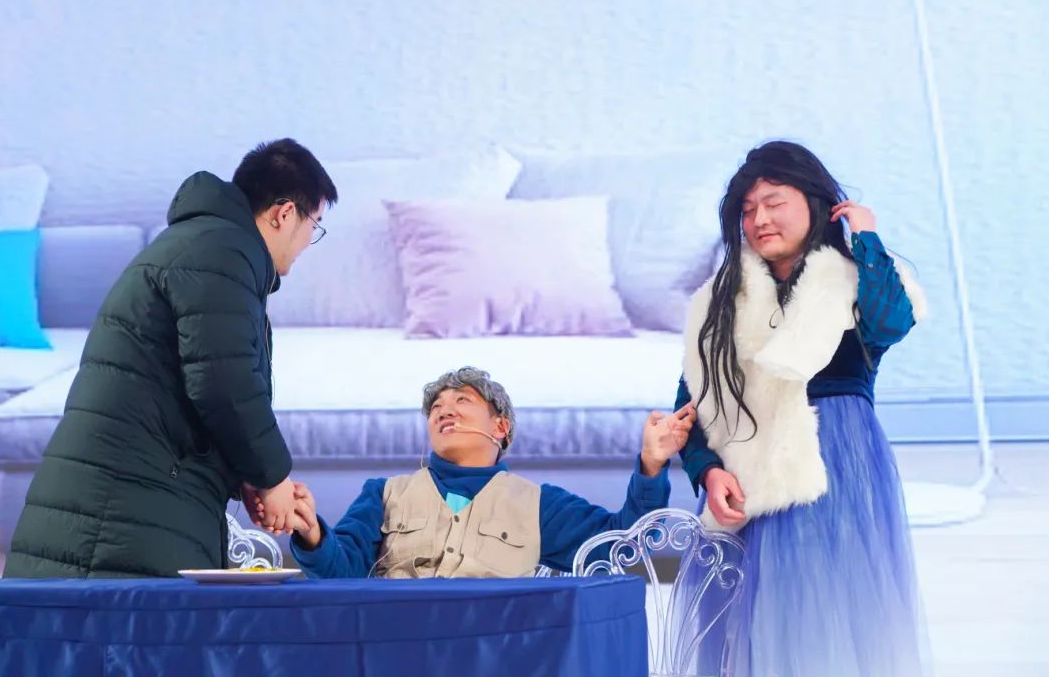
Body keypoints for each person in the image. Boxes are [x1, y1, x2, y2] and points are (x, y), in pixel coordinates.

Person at [4, 138, 336, 578]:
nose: (310, 241)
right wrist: (273, 478)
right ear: (284, 213)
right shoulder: (224, 253)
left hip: (128, 495)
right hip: (126, 506)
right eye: (315, 224)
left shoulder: (204, 245)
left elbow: (190, 381)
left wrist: (247, 474)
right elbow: (225, 384)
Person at [672, 141, 930, 676]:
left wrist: (866, 237)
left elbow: (890, 323)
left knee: (830, 621)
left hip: (836, 468)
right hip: (750, 478)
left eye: (773, 203)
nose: (760, 220)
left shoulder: (856, 278)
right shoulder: (720, 303)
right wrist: (708, 471)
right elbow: (691, 404)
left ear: (814, 202)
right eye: (747, 210)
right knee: (756, 627)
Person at [273, 367, 693, 578]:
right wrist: (311, 532)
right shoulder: (383, 493)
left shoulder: (539, 504)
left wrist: (652, 464)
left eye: (462, 401)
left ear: (500, 427)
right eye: (436, 408)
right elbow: (341, 571)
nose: (445, 411)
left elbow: (623, 545)